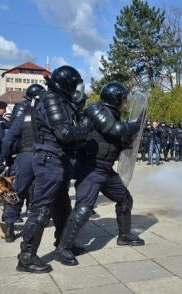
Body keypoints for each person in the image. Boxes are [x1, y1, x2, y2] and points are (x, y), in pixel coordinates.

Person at [54, 82, 145, 267]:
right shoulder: (96, 109)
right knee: (84, 208)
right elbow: (112, 129)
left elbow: (118, 140)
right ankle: (62, 248)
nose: (125, 103)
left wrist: (132, 138)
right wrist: (135, 125)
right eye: (123, 99)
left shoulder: (114, 116)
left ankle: (125, 235)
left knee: (125, 199)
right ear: (115, 98)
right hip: (90, 167)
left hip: (106, 168)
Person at [17, 66, 89, 274]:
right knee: (41, 211)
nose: (76, 89)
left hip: (59, 159)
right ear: (65, 84)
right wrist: (87, 128)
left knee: (63, 207)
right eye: (74, 85)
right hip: (50, 160)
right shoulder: (51, 99)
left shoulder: (62, 101)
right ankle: (26, 256)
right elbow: (64, 132)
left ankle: (62, 244)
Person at [2, 84, 45, 242]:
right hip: (44, 156)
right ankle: (35, 228)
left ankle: (9, 229)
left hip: (25, 156)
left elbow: (8, 140)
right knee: (41, 195)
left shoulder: (22, 114)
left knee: (15, 193)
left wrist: (7, 159)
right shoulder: (49, 114)